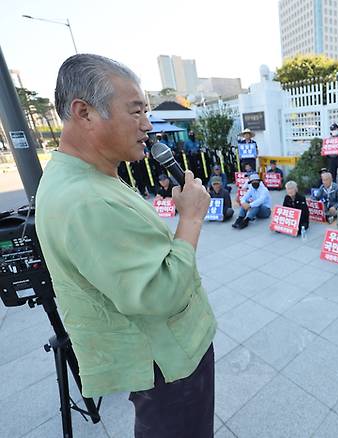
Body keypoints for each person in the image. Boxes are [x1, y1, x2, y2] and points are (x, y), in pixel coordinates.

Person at [35, 54, 216, 437]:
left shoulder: (86, 176)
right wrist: (191, 218)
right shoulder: (87, 198)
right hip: (168, 364)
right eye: (135, 112)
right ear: (83, 112)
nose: (147, 126)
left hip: (159, 357)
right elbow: (159, 293)